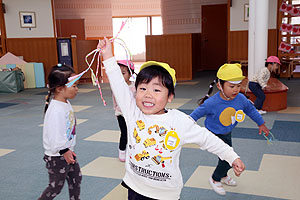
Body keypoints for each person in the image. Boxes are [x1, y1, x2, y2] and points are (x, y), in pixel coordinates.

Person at [98, 37, 245, 200]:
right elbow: (118, 84)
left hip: (166, 194)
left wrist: (231, 157)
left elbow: (208, 139)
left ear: (170, 97)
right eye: (143, 88)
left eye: (156, 90)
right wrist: (108, 56)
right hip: (135, 188)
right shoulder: (132, 112)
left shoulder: (179, 121)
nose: (148, 94)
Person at [190, 63, 270, 196]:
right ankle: (215, 178)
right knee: (228, 159)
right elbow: (194, 116)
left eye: (239, 86)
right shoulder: (211, 103)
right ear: (219, 86)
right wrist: (187, 128)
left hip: (227, 131)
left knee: (225, 156)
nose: (236, 90)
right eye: (232, 86)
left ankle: (223, 176)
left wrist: (261, 123)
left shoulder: (241, 99)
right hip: (213, 134)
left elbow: (251, 110)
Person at [38, 64, 82, 200]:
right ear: (60, 89)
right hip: (58, 156)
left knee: (76, 179)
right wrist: (64, 151)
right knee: (55, 187)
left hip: (67, 152)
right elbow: (54, 134)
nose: (77, 89)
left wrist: (68, 150)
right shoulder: (55, 110)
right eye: (74, 86)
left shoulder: (64, 103)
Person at [113, 60, 136, 162]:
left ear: (130, 73)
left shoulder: (135, 86)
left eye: (123, 73)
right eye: (119, 73)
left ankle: (134, 152)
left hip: (133, 114)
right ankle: (122, 151)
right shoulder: (117, 88)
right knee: (124, 133)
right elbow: (115, 101)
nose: (121, 76)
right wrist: (117, 111)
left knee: (134, 134)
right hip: (121, 114)